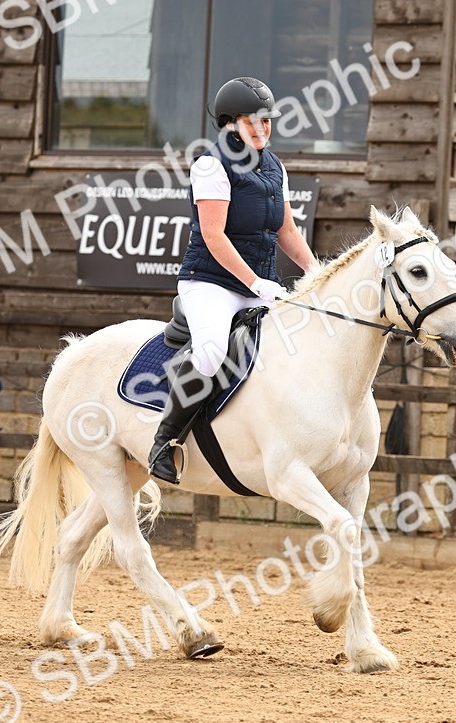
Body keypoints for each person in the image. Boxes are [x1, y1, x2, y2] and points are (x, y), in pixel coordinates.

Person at [148, 76, 321, 484]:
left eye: (267, 121)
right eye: (252, 122)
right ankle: (165, 441)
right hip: (210, 283)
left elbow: (287, 232)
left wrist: (317, 273)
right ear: (229, 123)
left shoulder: (275, 166)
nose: (261, 129)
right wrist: (255, 282)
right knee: (210, 352)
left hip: (260, 284)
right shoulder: (211, 165)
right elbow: (213, 234)